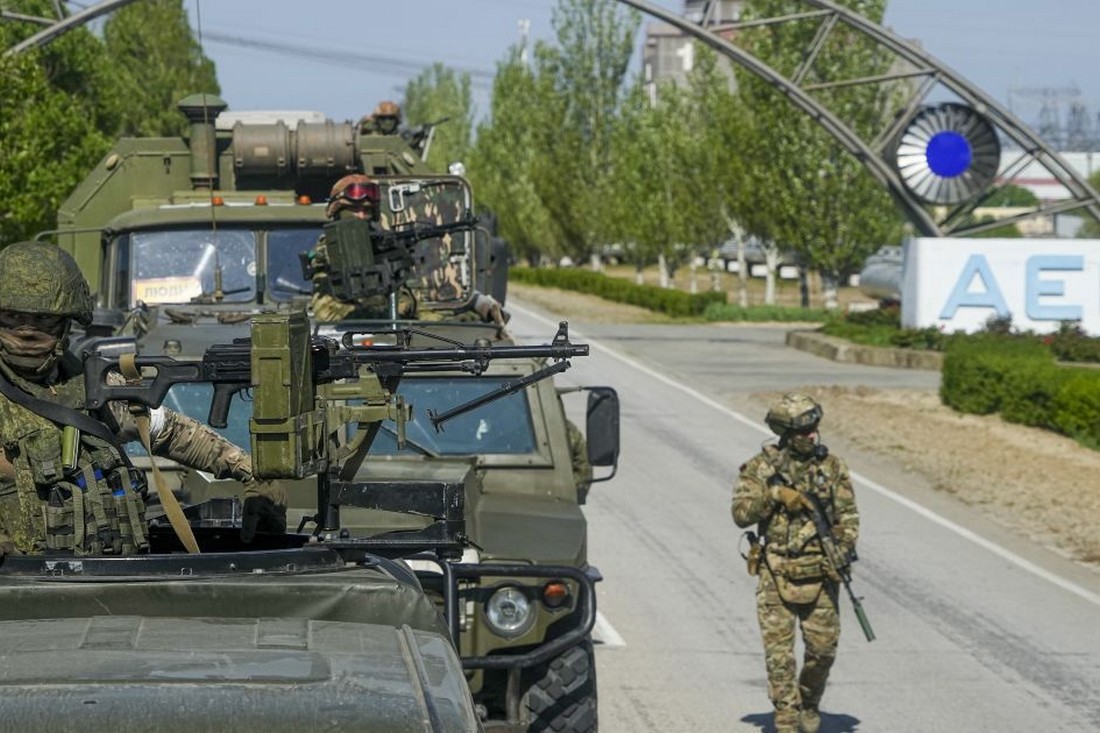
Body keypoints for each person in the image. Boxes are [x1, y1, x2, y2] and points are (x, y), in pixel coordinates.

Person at [0, 241, 286, 556]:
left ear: (66, 322)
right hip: (23, 588)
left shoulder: (92, 386)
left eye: (42, 319)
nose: (26, 332)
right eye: (12, 317)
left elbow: (171, 431)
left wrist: (253, 473)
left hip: (115, 579)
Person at [731, 393, 860, 733]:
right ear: (786, 434)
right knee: (780, 657)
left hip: (821, 573)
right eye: (804, 432)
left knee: (822, 652)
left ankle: (809, 702)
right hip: (776, 571)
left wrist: (842, 553)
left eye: (814, 430)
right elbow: (740, 514)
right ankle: (787, 717)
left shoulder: (831, 468)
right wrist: (774, 496)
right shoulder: (760, 469)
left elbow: (848, 517)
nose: (811, 437)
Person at [306, 174, 508, 325]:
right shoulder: (329, 250)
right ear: (338, 211)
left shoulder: (378, 244)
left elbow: (411, 302)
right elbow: (326, 313)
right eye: (355, 209)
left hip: (390, 333)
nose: (361, 216)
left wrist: (456, 319)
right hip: (348, 339)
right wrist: (392, 311)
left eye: (367, 210)